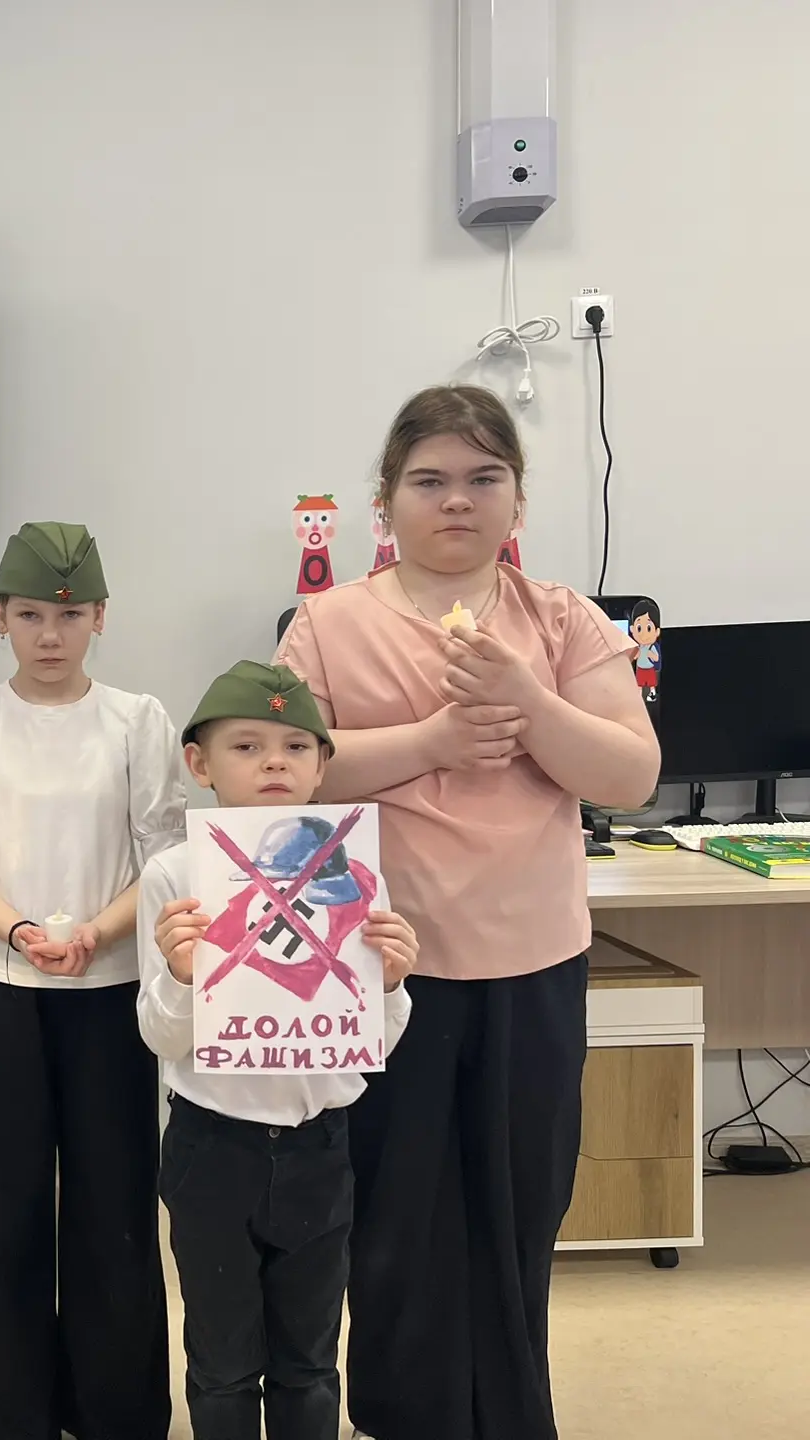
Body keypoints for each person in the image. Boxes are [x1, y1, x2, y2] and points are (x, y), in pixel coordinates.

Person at [275, 385, 660, 1440]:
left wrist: (529, 700)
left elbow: (630, 775)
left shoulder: (562, 620)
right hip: (384, 967)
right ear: (385, 501)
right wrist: (433, 742)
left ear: (517, 500)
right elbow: (284, 776)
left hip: (533, 965)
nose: (457, 500)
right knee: (393, 1220)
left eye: (484, 478)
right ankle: (404, 1417)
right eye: (430, 480)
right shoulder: (327, 625)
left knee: (519, 1212)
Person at [0, 522, 183, 1440]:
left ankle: (116, 1409)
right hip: (2, 985)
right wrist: (21, 930)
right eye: (30, 615)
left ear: (100, 617)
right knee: (4, 1203)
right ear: (1, 619)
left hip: (110, 990)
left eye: (70, 616)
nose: (50, 635)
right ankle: (7, 1411)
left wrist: (98, 931)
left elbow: (165, 858)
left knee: (115, 1202)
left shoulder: (138, 721)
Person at [136, 661, 418, 1440]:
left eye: (296, 747)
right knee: (222, 1359)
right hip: (211, 1144)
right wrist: (184, 977)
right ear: (199, 763)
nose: (274, 762)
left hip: (320, 1147)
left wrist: (390, 984)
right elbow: (159, 1035)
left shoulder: (356, 871)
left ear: (323, 765)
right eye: (247, 746)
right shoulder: (174, 875)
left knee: (311, 1358)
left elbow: (374, 1043)